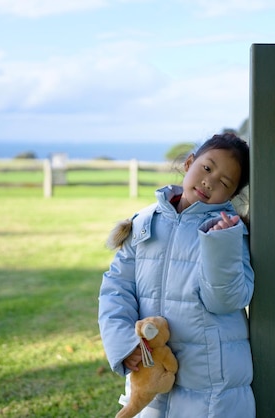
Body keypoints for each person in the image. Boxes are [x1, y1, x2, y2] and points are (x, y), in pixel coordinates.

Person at [98, 133, 255, 418]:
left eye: (224, 183)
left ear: (231, 195)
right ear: (189, 163)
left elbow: (225, 300)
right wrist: (125, 343)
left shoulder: (230, 234)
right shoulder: (144, 224)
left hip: (210, 381)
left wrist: (220, 244)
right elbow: (116, 287)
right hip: (153, 370)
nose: (209, 181)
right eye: (207, 168)